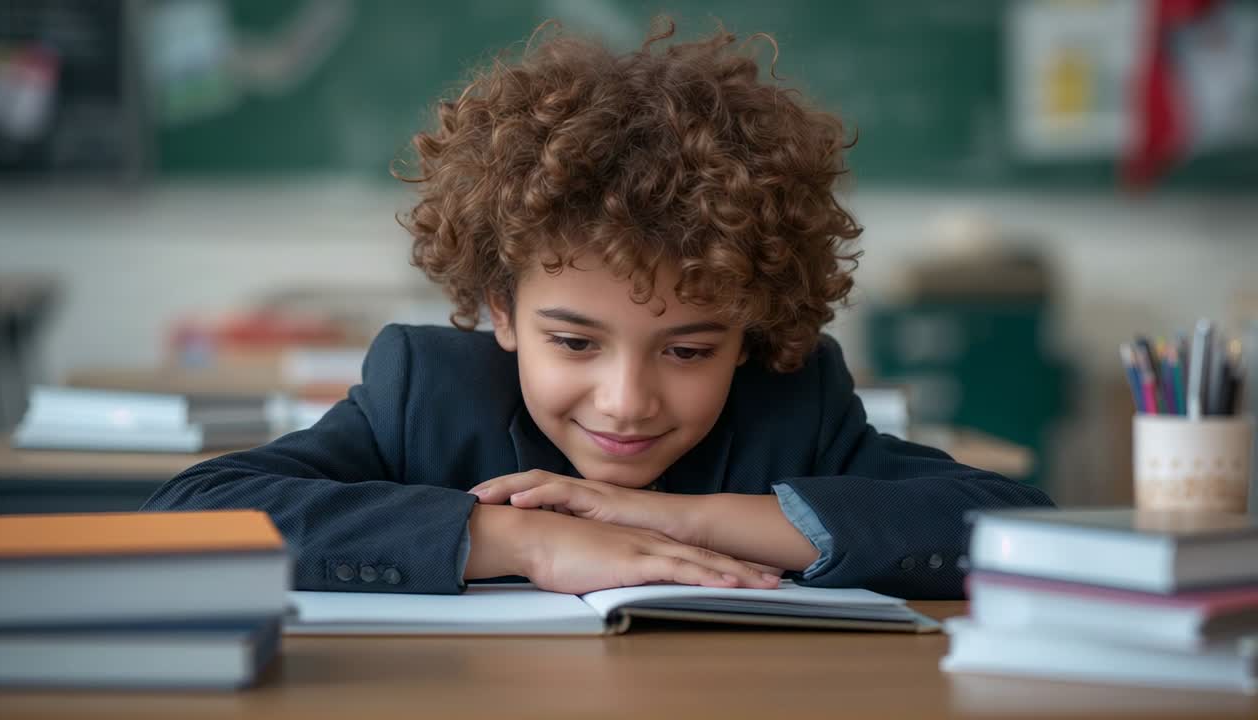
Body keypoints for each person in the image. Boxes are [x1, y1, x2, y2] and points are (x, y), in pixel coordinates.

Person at [143, 19, 1053, 600]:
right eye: (575, 342)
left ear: (750, 332)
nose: (626, 402)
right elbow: (190, 514)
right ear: (502, 308)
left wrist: (688, 519)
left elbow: (1014, 525)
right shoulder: (427, 394)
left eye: (688, 350)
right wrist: (522, 541)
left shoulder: (794, 404)